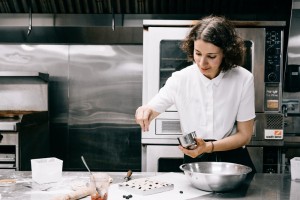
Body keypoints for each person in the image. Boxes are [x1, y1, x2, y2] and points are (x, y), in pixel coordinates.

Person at [135, 15, 256, 172]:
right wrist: (144, 111)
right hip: (195, 158)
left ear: (226, 53)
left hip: (232, 160)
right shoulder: (181, 79)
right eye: (198, 53)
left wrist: (209, 147)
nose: (202, 63)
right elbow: (152, 107)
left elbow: (244, 135)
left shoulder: (243, 79)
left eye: (211, 56)